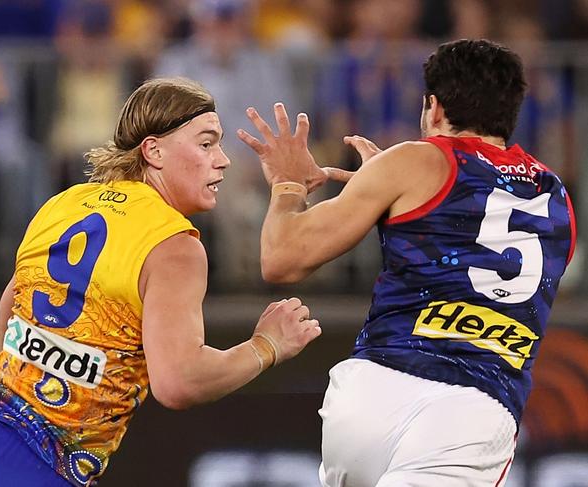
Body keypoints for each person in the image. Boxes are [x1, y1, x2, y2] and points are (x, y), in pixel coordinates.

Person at [0, 77, 322, 487]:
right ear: (153, 150)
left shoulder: (63, 203)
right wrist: (266, 346)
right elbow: (178, 383)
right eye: (207, 143)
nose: (223, 159)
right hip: (30, 467)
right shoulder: (173, 245)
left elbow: (5, 331)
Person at [238, 39, 576, 486]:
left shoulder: (411, 162)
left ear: (433, 108)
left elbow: (281, 259)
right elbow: (481, 237)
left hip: (371, 394)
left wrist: (287, 184)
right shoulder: (556, 198)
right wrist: (397, 196)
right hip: (472, 411)